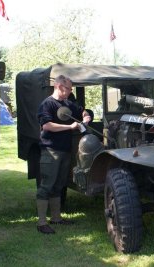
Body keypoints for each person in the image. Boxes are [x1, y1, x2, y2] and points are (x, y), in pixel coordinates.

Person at [36, 74, 92, 234]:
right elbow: (47, 126)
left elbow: (82, 111)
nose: (70, 91)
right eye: (68, 88)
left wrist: (86, 116)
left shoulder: (68, 104)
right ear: (59, 87)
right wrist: (70, 127)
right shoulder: (47, 104)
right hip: (51, 150)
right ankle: (41, 223)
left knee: (59, 185)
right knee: (47, 185)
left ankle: (56, 218)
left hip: (65, 151)